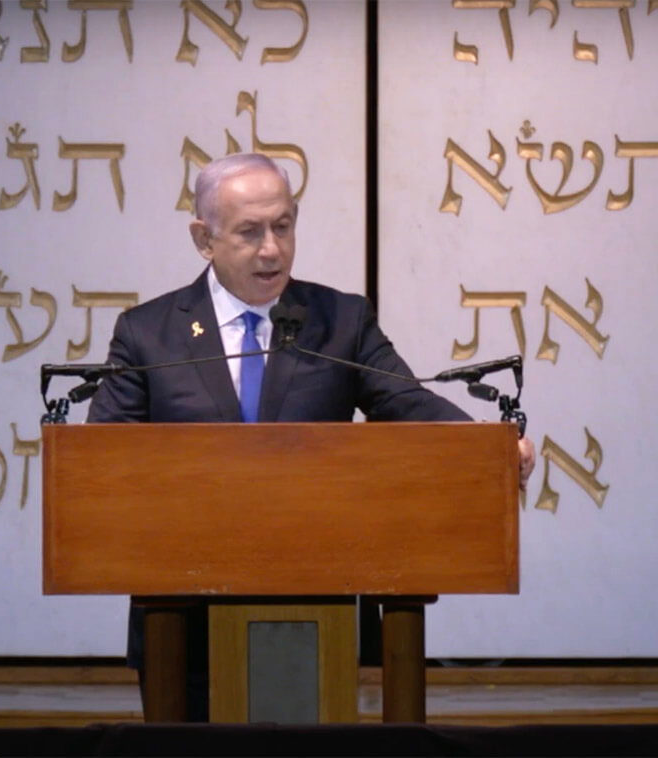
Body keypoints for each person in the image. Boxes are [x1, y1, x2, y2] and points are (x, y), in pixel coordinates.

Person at [87, 152, 536, 720]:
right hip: (182, 616)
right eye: (249, 232)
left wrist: (488, 448)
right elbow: (104, 459)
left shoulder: (340, 320)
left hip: (310, 608)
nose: (271, 248)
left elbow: (405, 400)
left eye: (283, 225)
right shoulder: (149, 332)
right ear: (204, 238)